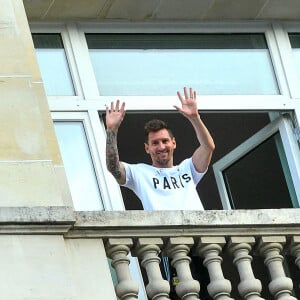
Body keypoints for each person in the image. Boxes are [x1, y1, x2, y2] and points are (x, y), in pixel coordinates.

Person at [105, 87, 215, 211]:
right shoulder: (140, 173)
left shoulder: (187, 168)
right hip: (163, 230)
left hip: (196, 229)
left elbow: (208, 147)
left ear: (174, 143)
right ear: (147, 148)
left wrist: (195, 118)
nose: (161, 147)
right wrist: (112, 130)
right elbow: (113, 167)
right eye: (155, 143)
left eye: (165, 141)